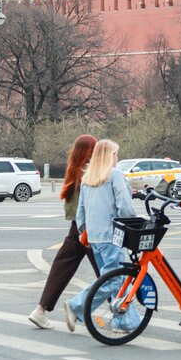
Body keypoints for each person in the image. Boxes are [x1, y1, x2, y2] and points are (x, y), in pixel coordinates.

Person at [64, 140, 138, 332]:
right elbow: (125, 208)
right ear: (109, 156)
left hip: (95, 237)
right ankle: (76, 305)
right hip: (112, 235)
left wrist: (83, 232)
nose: (117, 158)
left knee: (117, 278)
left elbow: (81, 212)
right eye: (115, 154)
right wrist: (132, 225)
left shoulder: (88, 178)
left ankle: (125, 321)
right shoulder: (115, 175)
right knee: (114, 279)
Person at [29, 135, 100, 329]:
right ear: (90, 151)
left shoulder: (73, 168)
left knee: (61, 268)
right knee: (108, 272)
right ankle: (120, 313)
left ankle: (41, 310)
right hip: (91, 229)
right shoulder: (88, 172)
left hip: (76, 227)